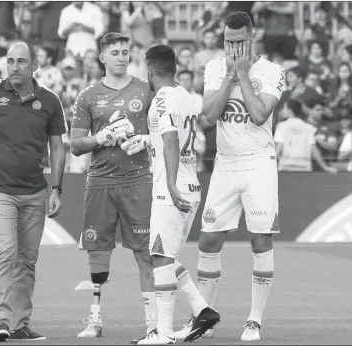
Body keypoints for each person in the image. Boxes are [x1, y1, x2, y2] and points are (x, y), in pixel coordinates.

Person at [0, 41, 67, 342]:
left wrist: (56, 186)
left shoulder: (50, 101)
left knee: (27, 260)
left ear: (34, 66)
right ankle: (0, 321)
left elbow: (57, 146)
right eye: (10, 61)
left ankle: (20, 324)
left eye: (21, 61)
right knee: (5, 250)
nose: (15, 66)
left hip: (34, 191)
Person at [192, 12, 285, 342]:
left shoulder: (273, 71)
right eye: (228, 42)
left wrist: (242, 74)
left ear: (253, 35)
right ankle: (204, 319)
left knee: (260, 240)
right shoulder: (214, 68)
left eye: (240, 41)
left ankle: (254, 320)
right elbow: (209, 114)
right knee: (208, 240)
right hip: (225, 164)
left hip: (259, 162)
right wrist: (231, 77)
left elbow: (260, 115)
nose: (233, 48)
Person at [70, 32, 155, 338]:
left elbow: (165, 134)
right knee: (97, 251)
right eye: (115, 53)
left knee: (145, 253)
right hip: (100, 182)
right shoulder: (88, 95)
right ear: (102, 57)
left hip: (138, 180)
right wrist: (102, 137)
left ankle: (153, 324)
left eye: (125, 52)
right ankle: (94, 320)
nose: (121, 57)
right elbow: (76, 145)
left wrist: (146, 139)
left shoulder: (146, 90)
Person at [134, 44, 221, 345]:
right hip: (191, 186)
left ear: (149, 68)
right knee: (166, 256)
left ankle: (163, 332)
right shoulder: (185, 96)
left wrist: (169, 184)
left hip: (171, 190)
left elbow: (171, 139)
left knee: (159, 257)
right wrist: (147, 140)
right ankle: (203, 311)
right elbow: (174, 136)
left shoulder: (160, 98)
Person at [274, 98, 337, 173]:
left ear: (290, 110)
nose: (282, 111)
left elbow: (279, 147)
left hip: (285, 167)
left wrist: (269, 166)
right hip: (304, 168)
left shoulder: (281, 126)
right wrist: (324, 167)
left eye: (284, 108)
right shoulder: (309, 128)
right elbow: (313, 148)